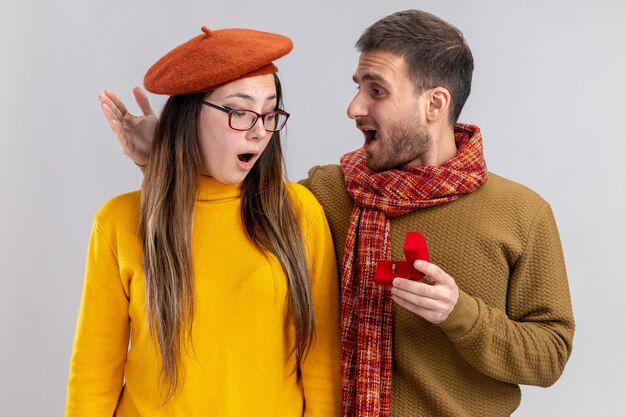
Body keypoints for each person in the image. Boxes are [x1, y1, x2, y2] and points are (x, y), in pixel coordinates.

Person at [103, 10, 575, 417]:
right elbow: (224, 218)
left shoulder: (521, 214)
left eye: (377, 91)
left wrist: (461, 314)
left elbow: (549, 357)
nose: (354, 108)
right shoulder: (328, 194)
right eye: (357, 87)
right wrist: (161, 157)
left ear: (434, 104)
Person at [66, 27, 341, 417]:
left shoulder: (297, 213)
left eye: (270, 111)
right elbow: (94, 370)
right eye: (240, 112)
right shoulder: (118, 222)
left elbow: (322, 364)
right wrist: (159, 159)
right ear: (191, 115)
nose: (260, 131)